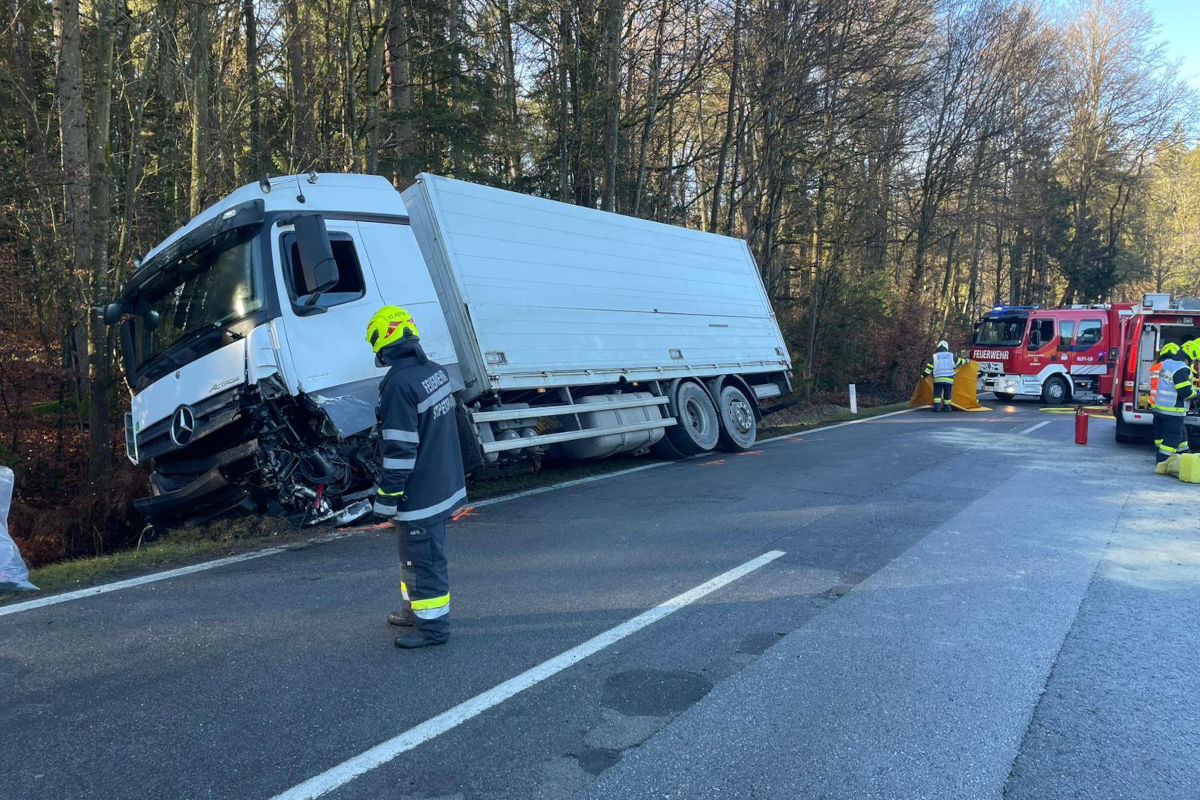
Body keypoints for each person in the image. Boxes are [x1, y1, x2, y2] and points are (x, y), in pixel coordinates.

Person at [366, 306, 467, 648]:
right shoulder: (434, 371)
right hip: (444, 482)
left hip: (421, 494)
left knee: (424, 559)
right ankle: (415, 611)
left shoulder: (398, 384)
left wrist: (385, 501)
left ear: (383, 343)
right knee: (411, 554)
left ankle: (433, 629)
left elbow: (400, 452)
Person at [1152, 340, 1194, 475]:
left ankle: (1185, 455)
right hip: (1173, 410)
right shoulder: (1182, 369)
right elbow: (1185, 392)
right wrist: (1196, 394)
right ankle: (1162, 464)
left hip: (1160, 408)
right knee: (1172, 439)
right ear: (1189, 358)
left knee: (1179, 434)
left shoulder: (1166, 364)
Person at [922, 340, 968, 413]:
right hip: (948, 379)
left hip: (938, 379)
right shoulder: (951, 355)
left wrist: (923, 375)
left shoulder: (935, 356)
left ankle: (937, 409)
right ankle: (947, 408)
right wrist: (967, 361)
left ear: (938, 347)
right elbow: (959, 361)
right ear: (946, 347)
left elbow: (929, 368)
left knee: (937, 395)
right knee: (947, 395)